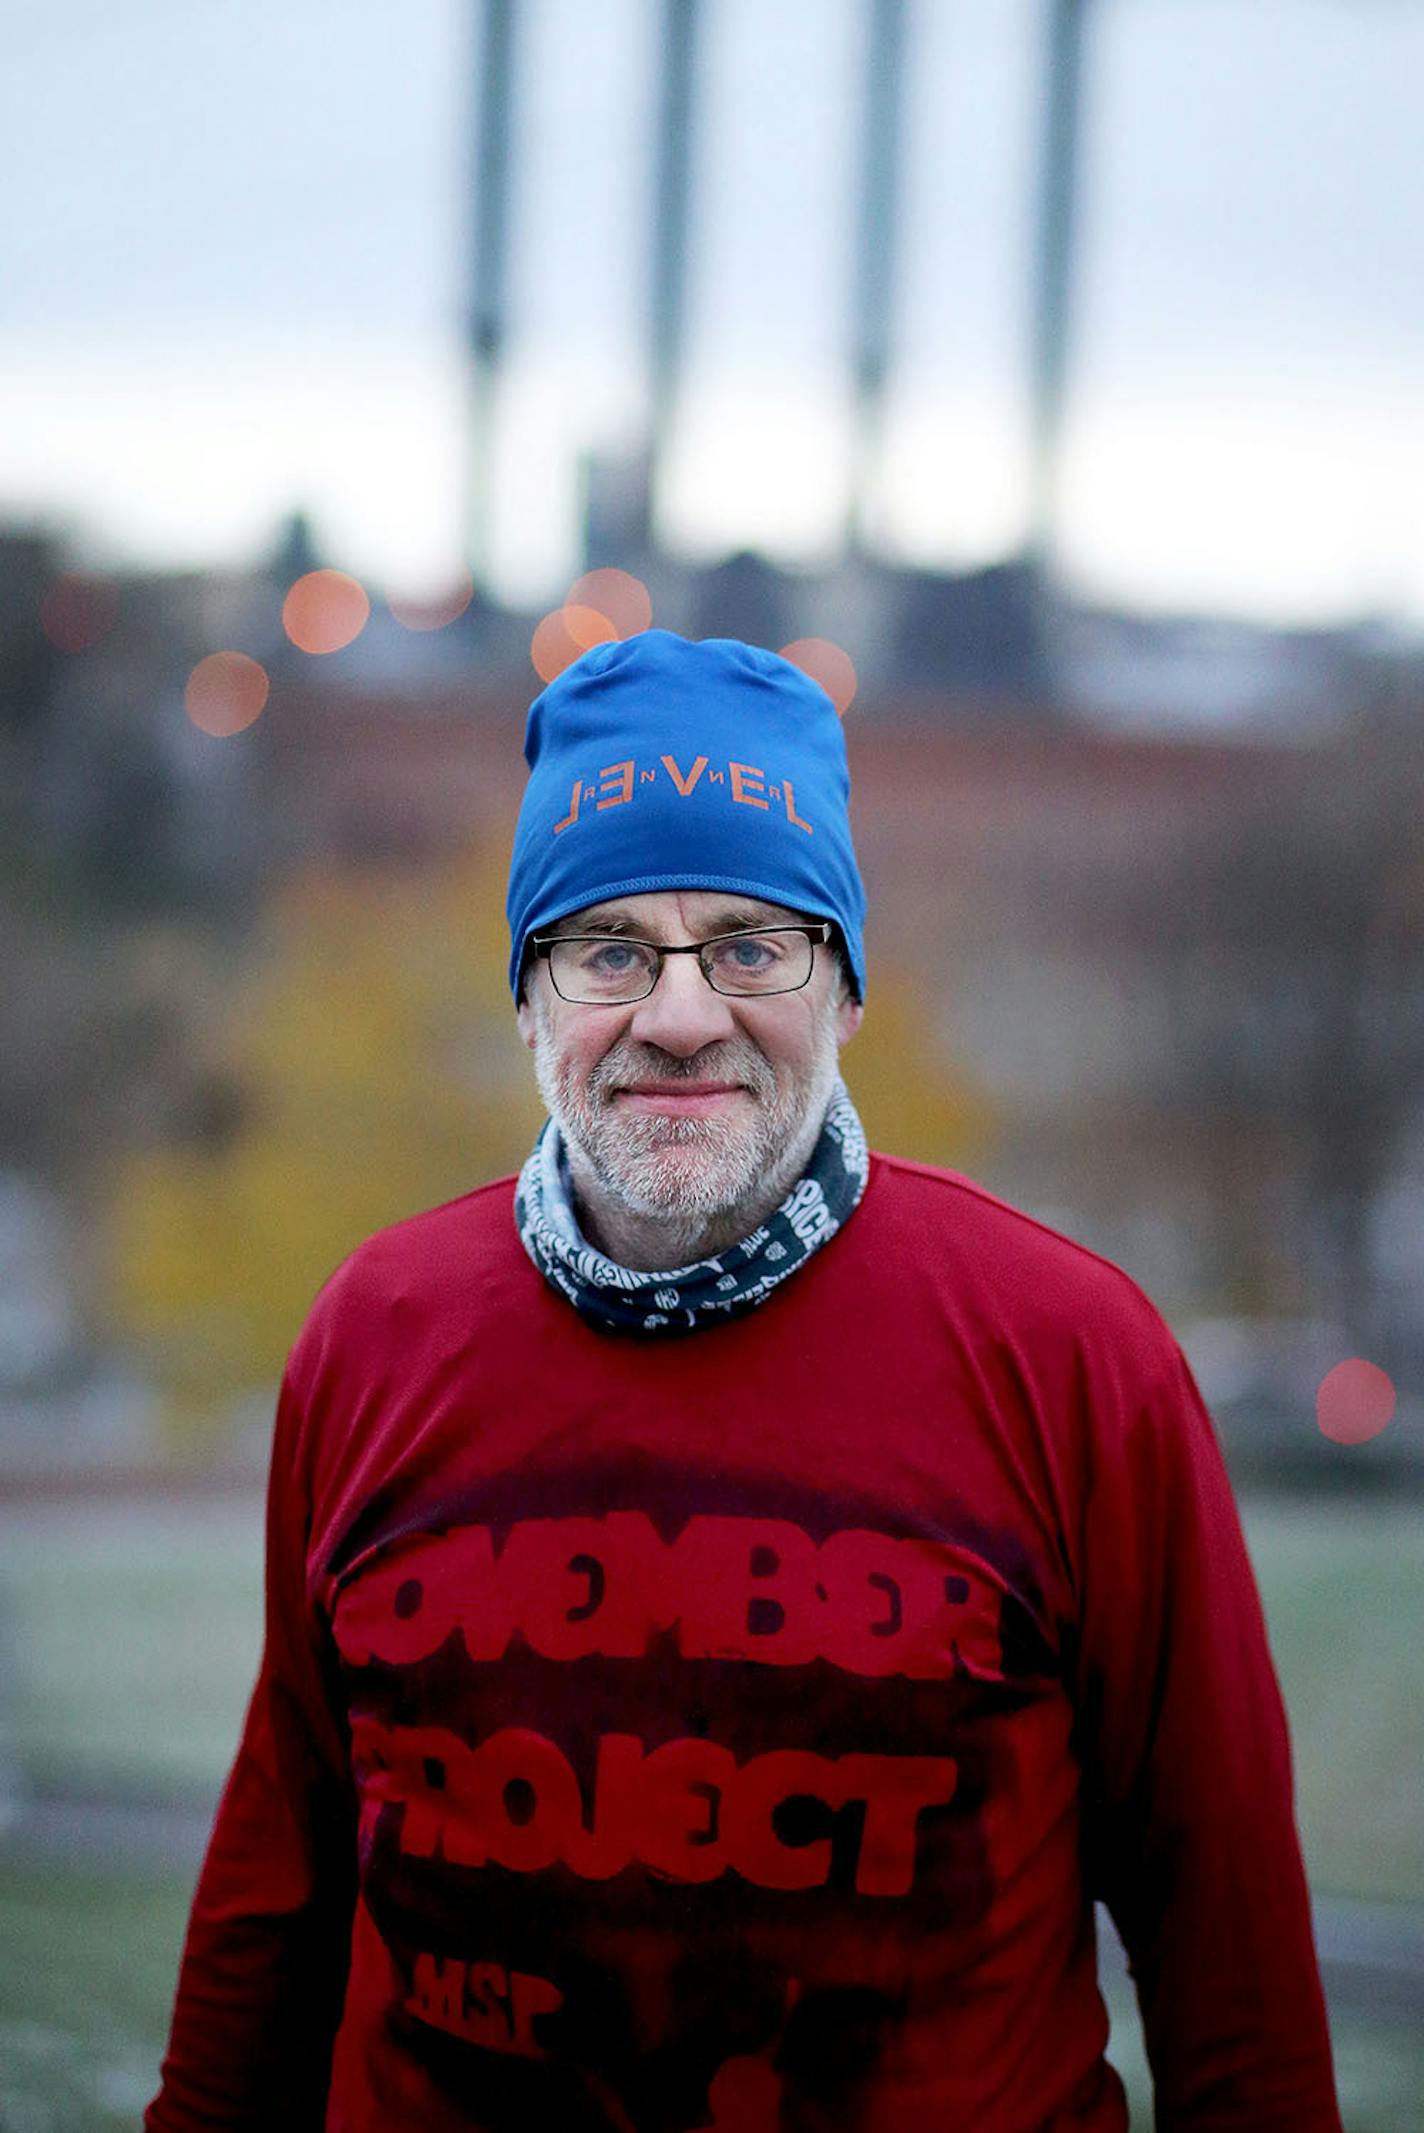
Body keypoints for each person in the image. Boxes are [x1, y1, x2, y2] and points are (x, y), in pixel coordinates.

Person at [147, 630, 1342, 2132]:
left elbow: (1229, 1954)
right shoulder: (373, 1337)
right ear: (528, 996)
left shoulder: (1073, 1360)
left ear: (845, 989)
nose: (681, 1012)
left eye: (751, 945)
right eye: (609, 949)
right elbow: (278, 1894)